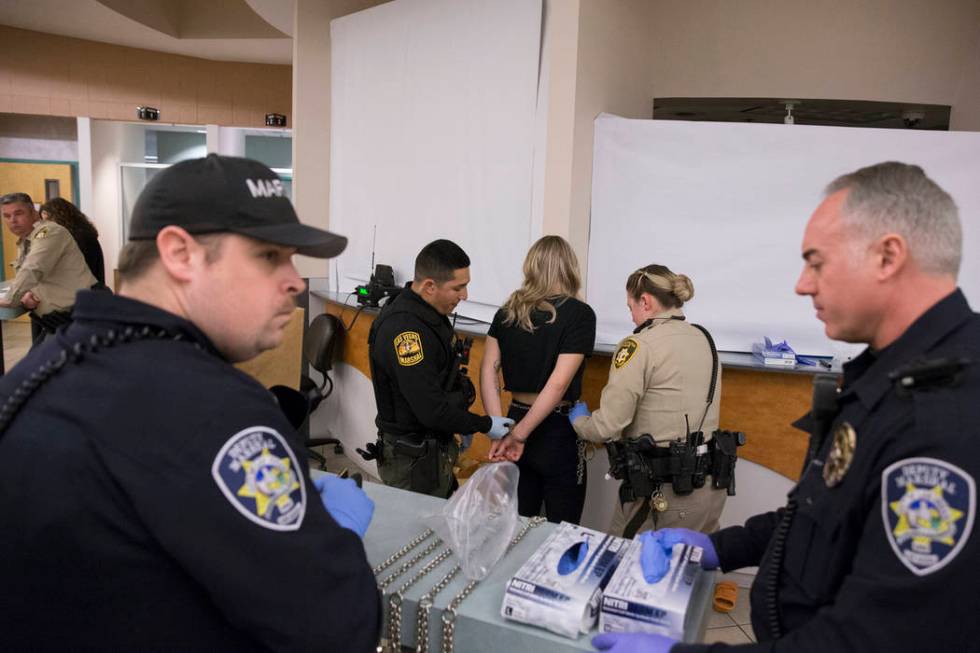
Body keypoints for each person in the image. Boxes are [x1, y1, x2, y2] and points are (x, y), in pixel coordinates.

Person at [0, 155, 381, 651]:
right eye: (270, 257)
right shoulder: (212, 407)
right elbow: (338, 626)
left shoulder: (48, 365)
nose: (293, 280)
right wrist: (336, 537)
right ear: (180, 254)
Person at [595, 162, 980, 652]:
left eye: (817, 262)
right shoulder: (891, 376)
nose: (803, 284)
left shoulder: (946, 414)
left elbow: (877, 637)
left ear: (887, 256)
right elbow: (822, 516)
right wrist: (720, 547)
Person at [571, 264, 726, 539]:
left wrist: (581, 423)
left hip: (660, 494)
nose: (630, 316)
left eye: (630, 306)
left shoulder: (639, 345)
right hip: (709, 488)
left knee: (626, 570)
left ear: (645, 301)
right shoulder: (705, 339)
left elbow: (609, 425)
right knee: (690, 571)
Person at [366, 239, 513, 498]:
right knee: (417, 533)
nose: (465, 296)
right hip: (413, 462)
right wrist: (482, 424)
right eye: (459, 287)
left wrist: (459, 422)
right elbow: (430, 410)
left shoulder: (428, 313)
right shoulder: (406, 332)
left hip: (431, 450)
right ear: (429, 286)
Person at [482, 235, 596, 524]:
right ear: (570, 268)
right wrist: (519, 434)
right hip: (557, 429)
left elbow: (487, 372)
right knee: (562, 528)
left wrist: (501, 428)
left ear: (530, 267)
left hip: (513, 417)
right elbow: (558, 384)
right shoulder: (580, 315)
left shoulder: (507, 311)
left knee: (517, 525)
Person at [0, 192, 97, 344]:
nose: (13, 221)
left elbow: (33, 268)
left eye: (18, 213)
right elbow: (38, 276)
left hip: (79, 318)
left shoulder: (48, 232)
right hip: (60, 321)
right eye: (6, 216)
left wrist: (10, 298)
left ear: (33, 211)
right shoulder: (27, 240)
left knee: (37, 365)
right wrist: (27, 293)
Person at [40, 196, 107, 287]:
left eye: (49, 220)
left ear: (60, 217)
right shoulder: (83, 233)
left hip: (82, 292)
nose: (47, 226)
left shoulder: (77, 238)